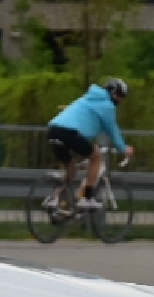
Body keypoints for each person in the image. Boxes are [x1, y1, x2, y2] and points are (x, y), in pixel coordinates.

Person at [45, 78, 134, 207]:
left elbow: (89, 124)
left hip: (53, 130)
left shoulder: (88, 98)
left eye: (122, 97)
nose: (120, 99)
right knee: (96, 157)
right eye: (119, 95)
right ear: (111, 92)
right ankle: (86, 198)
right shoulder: (107, 106)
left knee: (72, 168)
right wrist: (124, 148)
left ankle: (55, 198)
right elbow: (112, 129)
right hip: (69, 132)